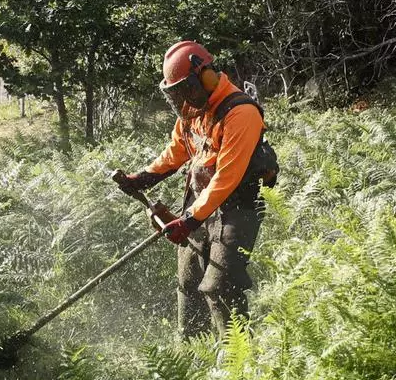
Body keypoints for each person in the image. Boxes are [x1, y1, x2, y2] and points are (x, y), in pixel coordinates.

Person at [118, 40, 277, 339]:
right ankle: (192, 354)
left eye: (187, 89)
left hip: (237, 208)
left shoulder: (241, 112)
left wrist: (189, 219)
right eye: (177, 93)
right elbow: (177, 150)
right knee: (189, 282)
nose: (184, 100)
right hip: (200, 202)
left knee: (219, 285)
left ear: (206, 75)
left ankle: (237, 360)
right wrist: (142, 178)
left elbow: (227, 177)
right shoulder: (192, 110)